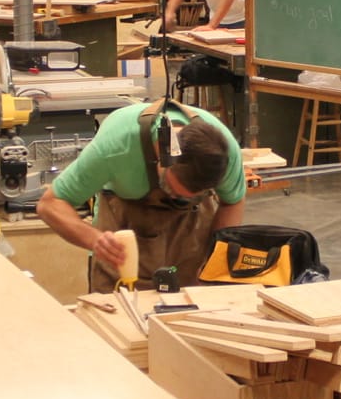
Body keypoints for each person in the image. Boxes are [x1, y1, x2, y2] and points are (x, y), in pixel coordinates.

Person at [36, 97, 246, 290]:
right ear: (162, 154)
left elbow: (232, 202)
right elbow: (50, 203)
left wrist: (213, 261)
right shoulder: (116, 147)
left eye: (190, 197)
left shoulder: (224, 152)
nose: (176, 200)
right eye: (171, 190)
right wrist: (95, 239)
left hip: (191, 238)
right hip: (124, 230)